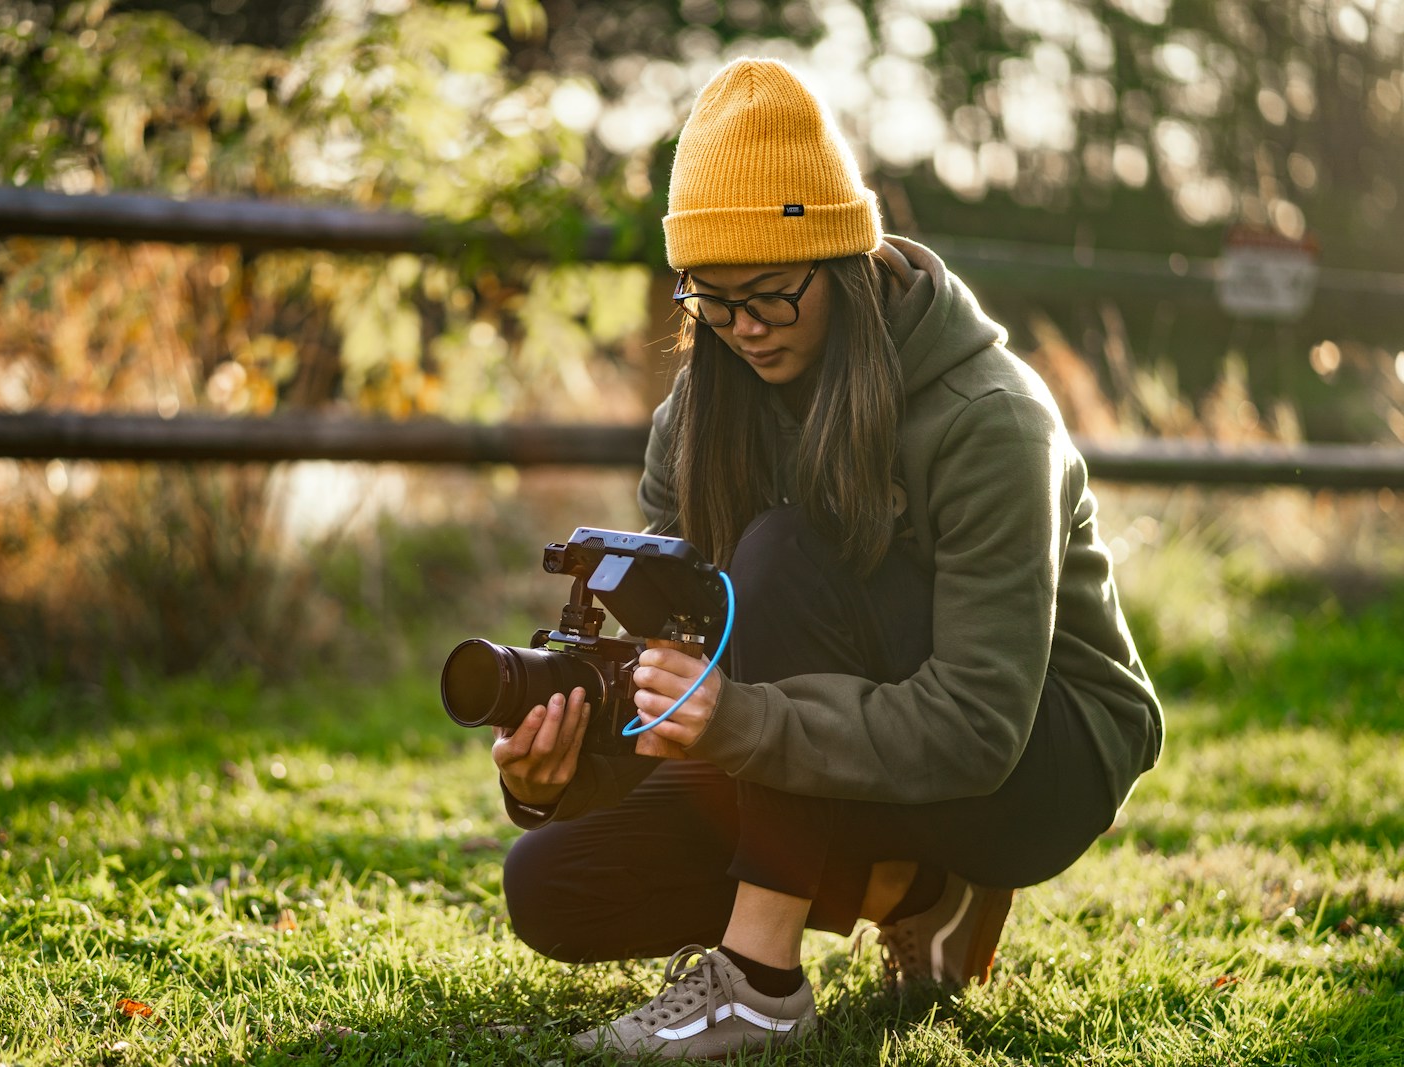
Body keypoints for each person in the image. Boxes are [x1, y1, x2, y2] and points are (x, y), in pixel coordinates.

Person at [489, 57, 1163, 1060]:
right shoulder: (696, 417)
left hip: (1031, 761)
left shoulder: (989, 418)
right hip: (840, 741)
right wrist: (558, 763)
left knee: (781, 556)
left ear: (844, 262)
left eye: (770, 293)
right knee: (551, 881)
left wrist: (745, 719)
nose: (744, 327)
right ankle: (920, 890)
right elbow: (694, 666)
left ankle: (758, 983)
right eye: (710, 300)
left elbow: (980, 723)